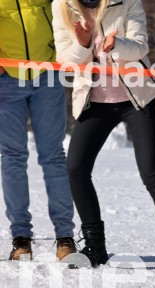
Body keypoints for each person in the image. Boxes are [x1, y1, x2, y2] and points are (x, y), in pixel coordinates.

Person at [52, 0, 155, 271]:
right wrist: (82, 44)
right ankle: (95, 248)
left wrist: (116, 44)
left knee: (151, 173)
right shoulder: (63, 6)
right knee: (76, 169)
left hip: (136, 98)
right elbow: (65, 61)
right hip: (95, 102)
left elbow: (141, 46)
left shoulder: (127, 2)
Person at [0, 0, 76, 261]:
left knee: (53, 156)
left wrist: (62, 52)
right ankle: (21, 237)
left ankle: (65, 236)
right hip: (7, 79)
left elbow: (66, 12)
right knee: (12, 156)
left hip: (48, 75)